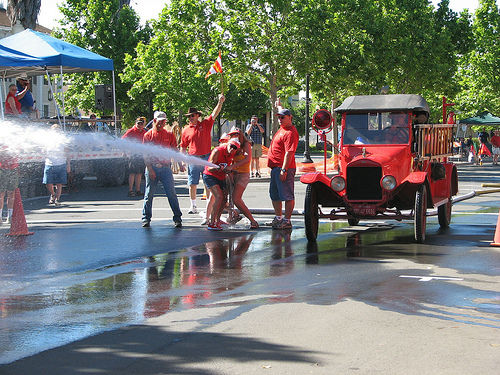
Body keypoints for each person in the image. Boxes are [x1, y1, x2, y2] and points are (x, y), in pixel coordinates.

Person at [180, 94, 225, 214]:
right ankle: (193, 206)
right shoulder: (185, 130)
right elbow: (183, 146)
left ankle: (207, 207)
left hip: (206, 158)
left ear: (198, 116)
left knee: (208, 183)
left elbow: (214, 113)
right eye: (189, 116)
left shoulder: (205, 124)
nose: (190, 118)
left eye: (192, 115)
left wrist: (219, 102)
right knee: (192, 183)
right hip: (193, 159)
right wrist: (183, 160)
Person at [142, 111, 183, 228]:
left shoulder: (169, 134)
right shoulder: (148, 135)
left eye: (163, 121)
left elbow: (175, 150)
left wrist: (180, 163)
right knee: (149, 194)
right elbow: (145, 154)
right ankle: (146, 218)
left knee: (172, 194)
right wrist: (150, 169)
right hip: (152, 167)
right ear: (154, 121)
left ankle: (177, 218)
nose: (161, 123)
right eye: (159, 121)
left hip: (166, 168)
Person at [266, 99, 299, 230]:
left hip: (284, 168)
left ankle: (287, 220)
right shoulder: (283, 128)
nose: (280, 119)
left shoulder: (290, 132)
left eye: (283, 118)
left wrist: (284, 170)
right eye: (279, 117)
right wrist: (279, 106)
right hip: (275, 168)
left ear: (290, 118)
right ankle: (279, 218)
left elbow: (289, 153)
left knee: (287, 195)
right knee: (274, 195)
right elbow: (282, 112)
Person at [202, 138, 240, 231]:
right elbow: (209, 167)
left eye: (235, 148)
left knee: (224, 199)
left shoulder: (233, 153)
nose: (233, 149)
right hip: (210, 175)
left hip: (221, 176)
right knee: (218, 197)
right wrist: (218, 168)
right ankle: (211, 223)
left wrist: (231, 170)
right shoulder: (217, 151)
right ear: (228, 145)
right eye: (231, 146)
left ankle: (217, 220)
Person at [226, 126, 259, 229]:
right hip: (233, 173)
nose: (234, 136)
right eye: (232, 135)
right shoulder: (230, 144)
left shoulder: (246, 144)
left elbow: (247, 159)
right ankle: (233, 215)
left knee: (236, 198)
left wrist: (233, 166)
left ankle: (253, 221)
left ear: (240, 135)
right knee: (223, 198)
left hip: (243, 174)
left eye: (236, 134)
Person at [43, 124, 70, 206]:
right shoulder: (47, 140)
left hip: (60, 163)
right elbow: (43, 150)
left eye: (57, 130)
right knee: (48, 182)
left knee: (59, 183)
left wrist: (68, 164)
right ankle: (53, 194)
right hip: (49, 163)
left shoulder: (63, 141)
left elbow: (67, 153)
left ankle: (57, 199)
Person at [122, 117, 147, 196]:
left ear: (143, 124)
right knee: (132, 173)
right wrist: (125, 151)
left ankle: (138, 190)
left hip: (141, 154)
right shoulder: (131, 131)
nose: (139, 125)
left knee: (139, 173)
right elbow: (122, 140)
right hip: (133, 154)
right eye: (138, 123)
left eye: (141, 124)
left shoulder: (144, 132)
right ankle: (130, 190)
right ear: (135, 123)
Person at [0, 145, 19, 224]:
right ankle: (0, 217)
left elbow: (17, 151)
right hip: (2, 169)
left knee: (11, 193)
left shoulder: (15, 142)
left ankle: (10, 216)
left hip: (13, 169)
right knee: (1, 194)